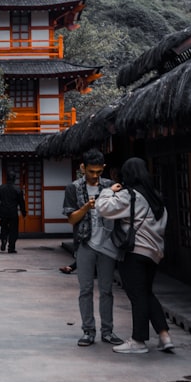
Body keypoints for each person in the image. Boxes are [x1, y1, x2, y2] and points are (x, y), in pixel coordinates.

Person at [97, 157, 175, 355]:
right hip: (154, 253)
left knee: (137, 295)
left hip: (135, 252)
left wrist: (108, 191)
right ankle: (164, 335)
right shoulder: (156, 197)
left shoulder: (130, 195)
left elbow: (103, 208)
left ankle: (138, 340)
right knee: (146, 292)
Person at [62, 149, 124, 347]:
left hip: (107, 244)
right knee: (86, 289)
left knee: (106, 290)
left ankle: (108, 331)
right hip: (85, 243)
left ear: (103, 169)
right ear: (83, 168)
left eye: (98, 171)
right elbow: (71, 219)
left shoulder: (110, 186)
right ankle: (88, 330)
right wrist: (86, 208)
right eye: (91, 171)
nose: (95, 176)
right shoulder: (73, 188)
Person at [0, 171, 26, 253]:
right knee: (13, 230)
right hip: (13, 212)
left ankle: (3, 240)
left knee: (3, 227)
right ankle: (11, 248)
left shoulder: (1, 188)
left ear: (7, 178)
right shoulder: (17, 189)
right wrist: (23, 212)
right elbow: (21, 202)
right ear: (14, 179)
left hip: (3, 211)